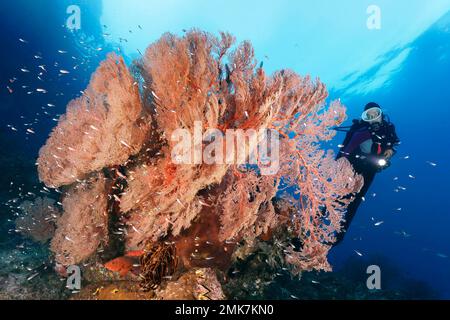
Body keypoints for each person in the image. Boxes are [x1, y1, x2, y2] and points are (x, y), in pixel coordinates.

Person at [333, 102, 400, 245]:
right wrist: (339, 166)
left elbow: (394, 144)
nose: (372, 118)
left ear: (381, 113)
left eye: (375, 114)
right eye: (368, 116)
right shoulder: (360, 129)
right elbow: (345, 149)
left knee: (356, 200)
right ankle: (318, 221)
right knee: (337, 196)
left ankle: (340, 235)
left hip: (371, 169)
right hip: (353, 165)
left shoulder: (389, 128)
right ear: (365, 118)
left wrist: (390, 152)